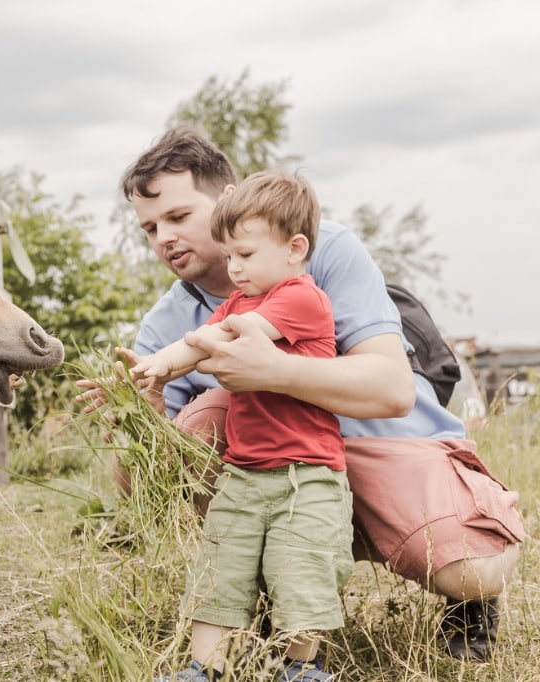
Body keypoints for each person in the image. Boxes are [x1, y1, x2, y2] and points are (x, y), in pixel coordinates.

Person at [76, 126, 524, 670]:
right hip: (273, 472)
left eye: (177, 216)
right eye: (149, 228)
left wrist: (278, 371)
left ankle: (468, 598)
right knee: (203, 423)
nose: (162, 238)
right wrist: (140, 415)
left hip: (382, 443)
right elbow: (148, 487)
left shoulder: (320, 250)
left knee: (472, 573)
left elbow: (392, 390)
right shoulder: (165, 323)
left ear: (227, 201)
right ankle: (267, 596)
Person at [129, 170, 352, 682]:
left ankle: (302, 668)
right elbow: (196, 339)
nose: (233, 268)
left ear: (295, 248)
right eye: (228, 256)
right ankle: (202, 668)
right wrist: (156, 366)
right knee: (219, 570)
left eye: (246, 256)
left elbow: (228, 335)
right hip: (245, 471)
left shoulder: (302, 298)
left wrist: (189, 353)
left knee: (300, 571)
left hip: (307, 473)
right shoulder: (239, 300)